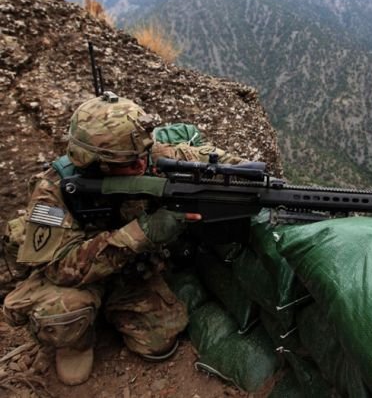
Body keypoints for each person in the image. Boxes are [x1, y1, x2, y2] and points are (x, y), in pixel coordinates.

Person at [2, 92, 242, 385]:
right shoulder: (53, 191)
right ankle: (76, 343)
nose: (141, 166)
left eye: (142, 155)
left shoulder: (149, 156)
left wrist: (242, 173)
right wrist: (143, 232)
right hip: (77, 280)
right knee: (59, 314)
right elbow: (58, 268)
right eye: (128, 163)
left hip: (128, 271)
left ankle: (111, 312)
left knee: (159, 341)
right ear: (94, 164)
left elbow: (204, 159)